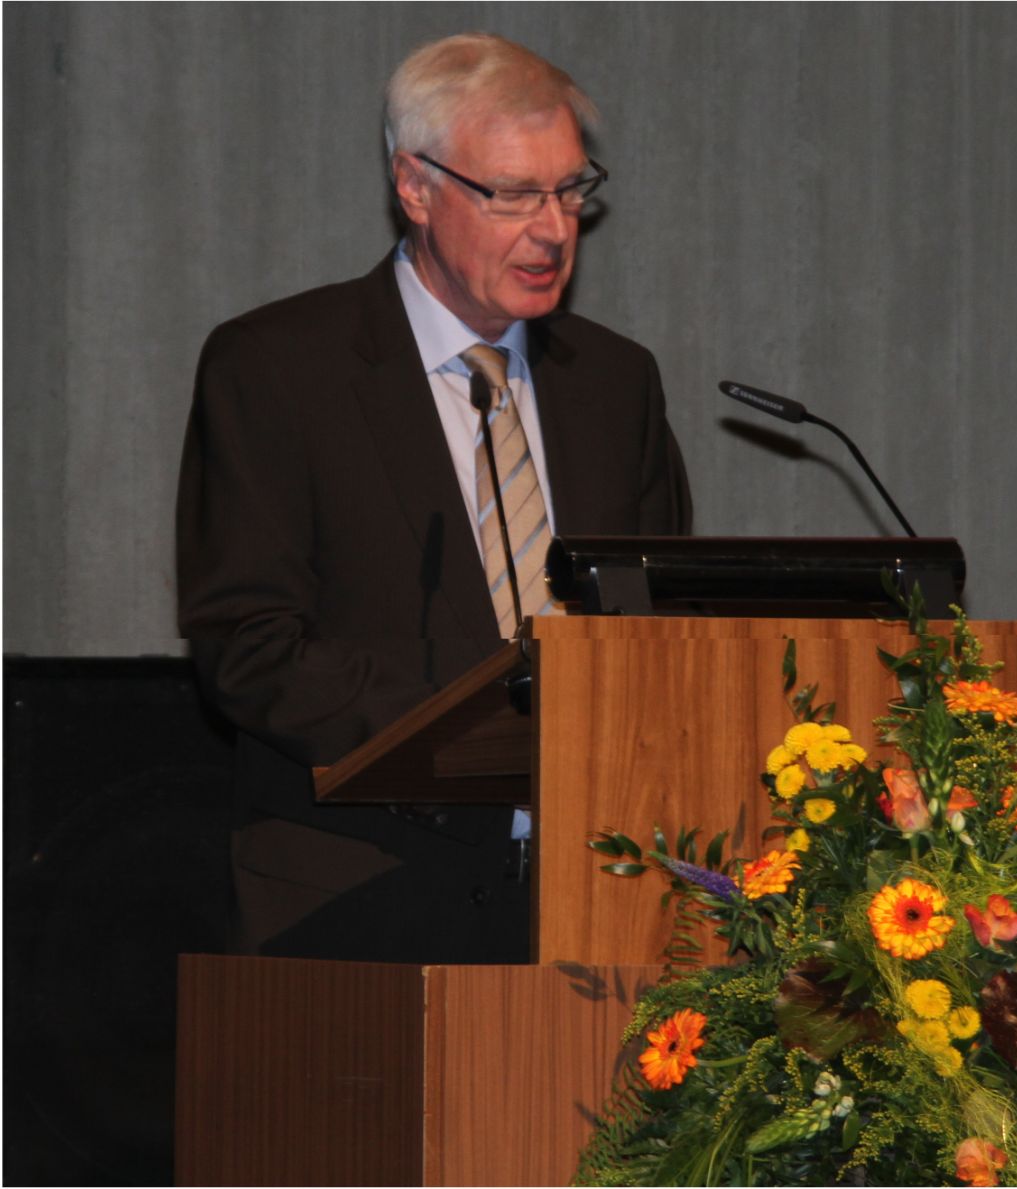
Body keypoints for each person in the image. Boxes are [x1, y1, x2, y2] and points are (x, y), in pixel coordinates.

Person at [176, 33, 691, 965]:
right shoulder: (279, 368)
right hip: (362, 906)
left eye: (570, 190)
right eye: (514, 195)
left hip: (597, 907)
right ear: (414, 187)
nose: (554, 229)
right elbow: (250, 648)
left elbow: (661, 630)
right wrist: (497, 736)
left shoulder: (616, 384)